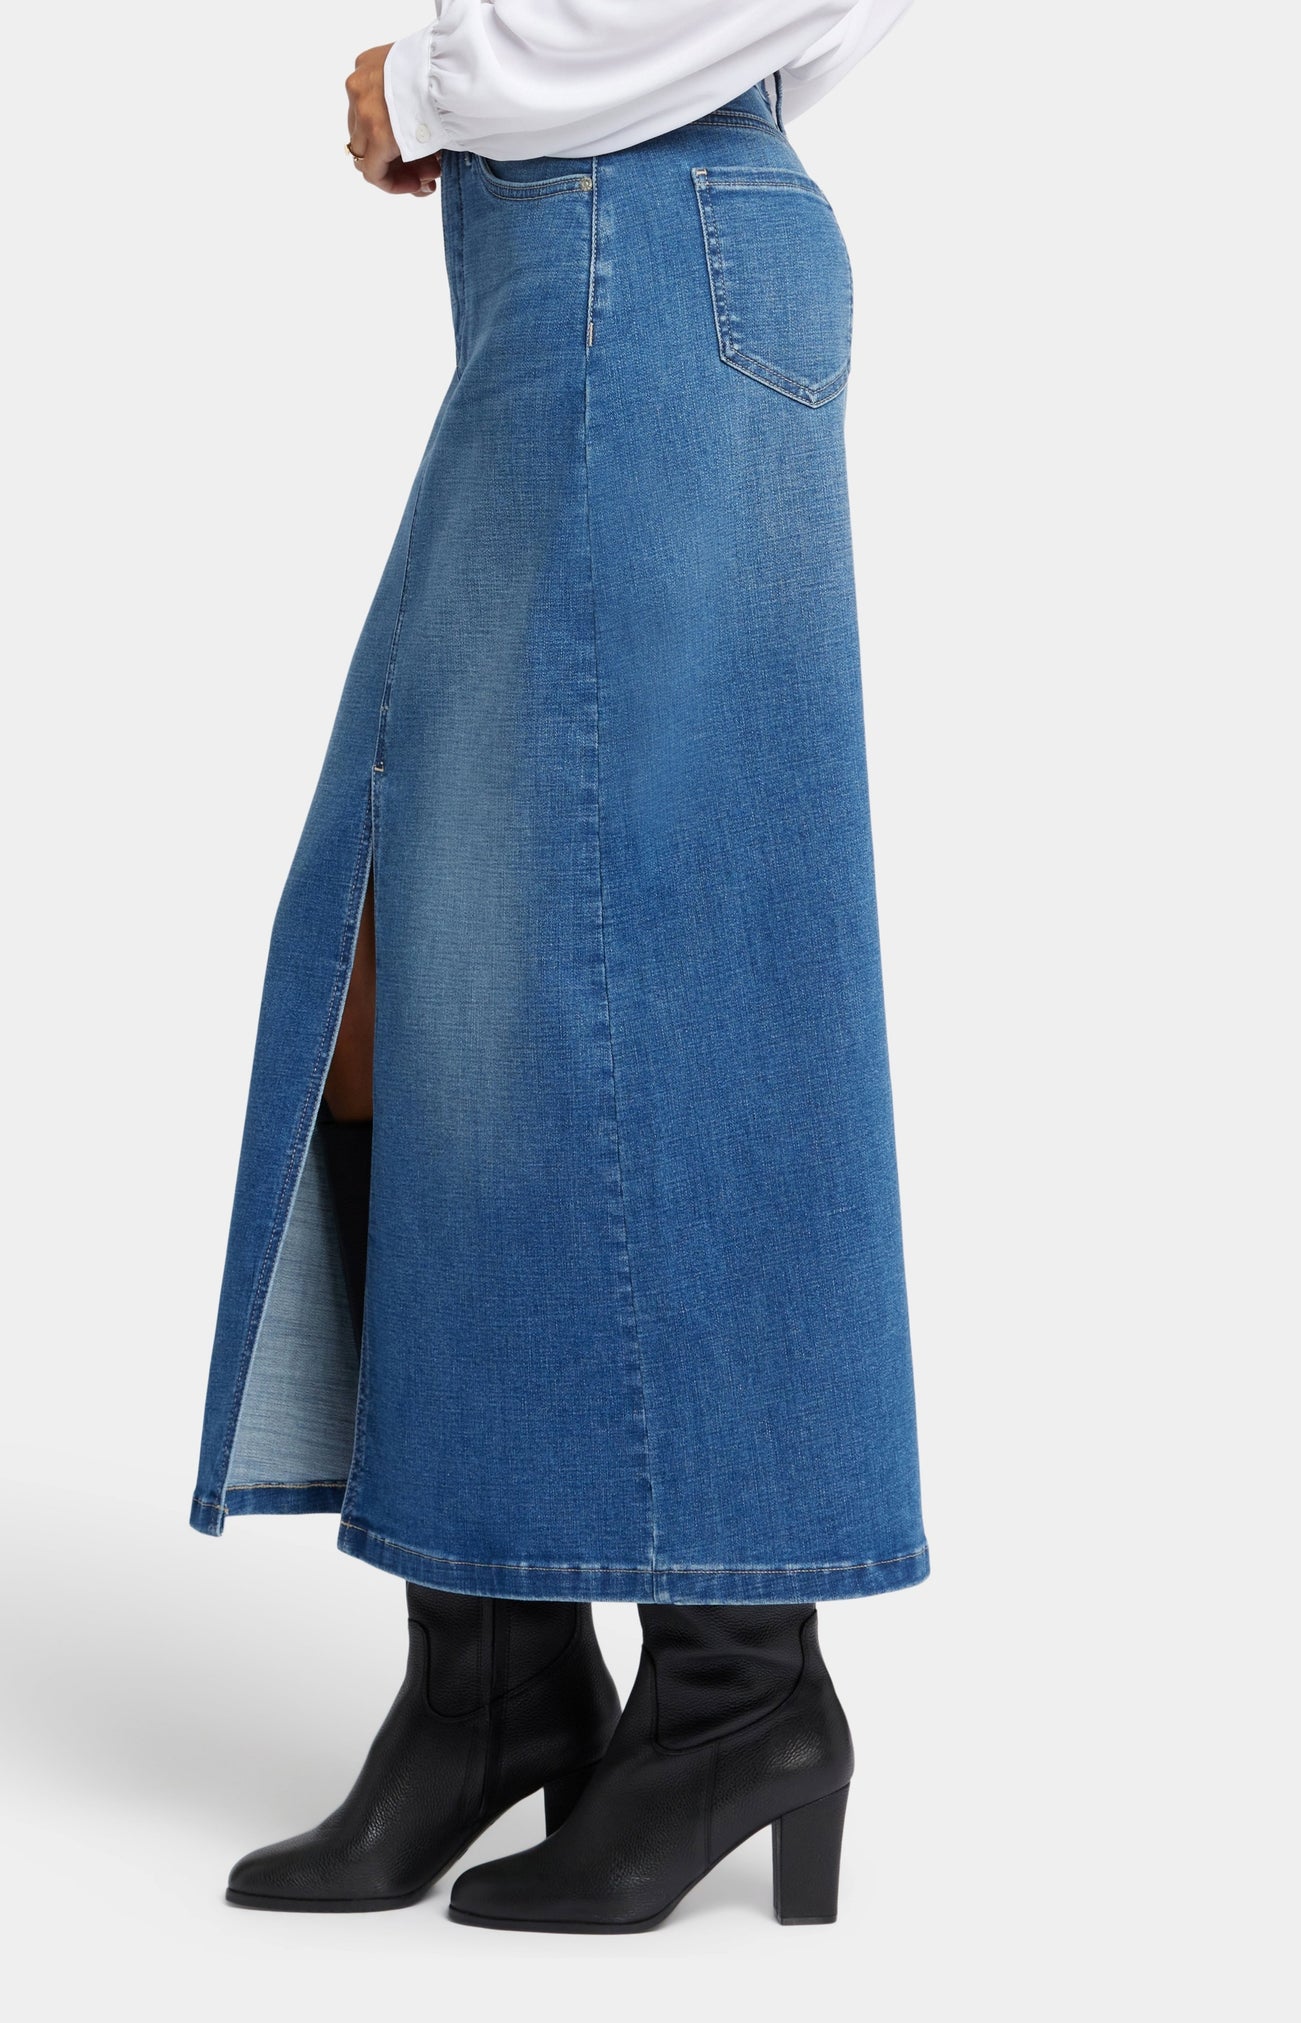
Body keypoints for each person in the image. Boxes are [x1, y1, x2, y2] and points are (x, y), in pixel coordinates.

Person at [194, 0, 927, 1934]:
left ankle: (733, 1694)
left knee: (667, 992)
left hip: (640, 256)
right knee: (463, 956)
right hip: (602, 260)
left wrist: (447, 81)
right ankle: (499, 1674)